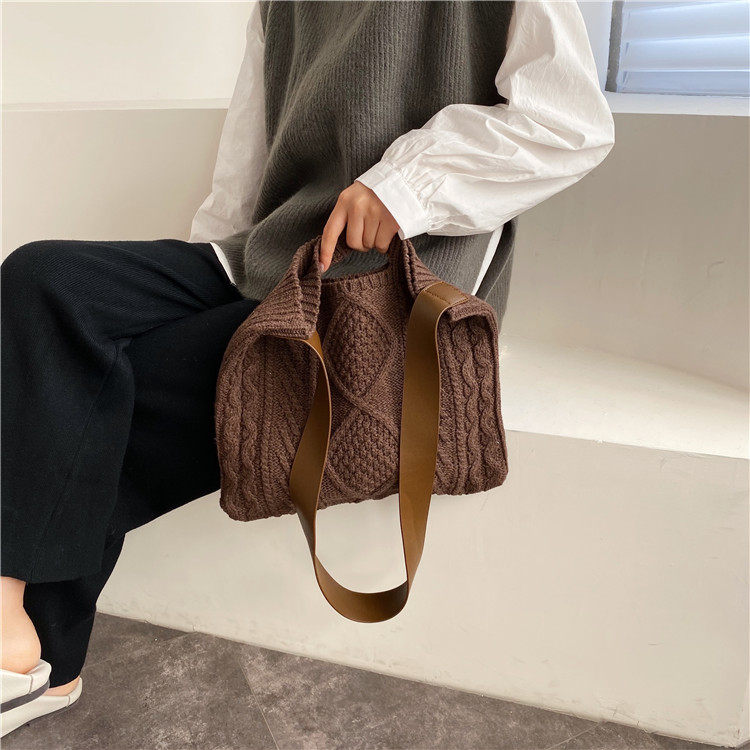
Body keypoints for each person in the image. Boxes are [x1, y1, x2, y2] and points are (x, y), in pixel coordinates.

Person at [0, 0, 614, 737]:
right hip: (265, 257)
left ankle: (38, 657)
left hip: (395, 281)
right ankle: (9, 610)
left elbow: (569, 121)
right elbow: (248, 160)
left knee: (116, 384)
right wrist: (200, 285)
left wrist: (404, 185)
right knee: (41, 279)